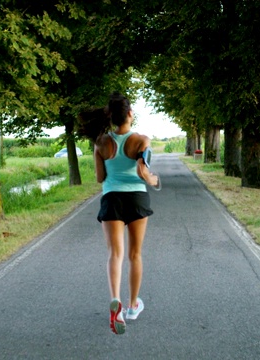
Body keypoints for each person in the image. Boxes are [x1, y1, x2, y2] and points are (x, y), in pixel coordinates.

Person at [77, 92, 159, 335]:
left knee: (115, 254)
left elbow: (100, 178)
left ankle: (116, 301)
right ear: (130, 114)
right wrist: (154, 180)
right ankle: (133, 305)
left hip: (111, 198)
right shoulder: (142, 140)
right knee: (135, 254)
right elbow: (145, 174)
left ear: (110, 116)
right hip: (136, 198)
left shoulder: (101, 143)